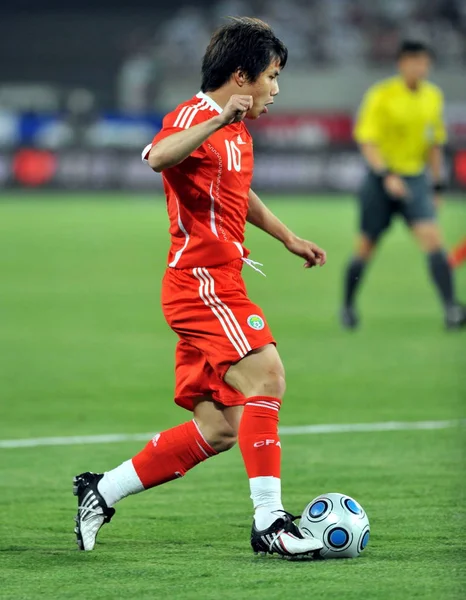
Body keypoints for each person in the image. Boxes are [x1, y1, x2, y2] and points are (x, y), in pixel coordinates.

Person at [73, 17, 326, 559]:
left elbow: (238, 192)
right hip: (202, 284)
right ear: (241, 76)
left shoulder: (236, 130)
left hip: (219, 280)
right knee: (268, 375)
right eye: (272, 77)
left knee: (217, 429)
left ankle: (101, 490)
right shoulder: (197, 115)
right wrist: (214, 121)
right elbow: (157, 157)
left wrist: (288, 237)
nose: (275, 90)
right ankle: (271, 524)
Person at [341, 40, 465, 330]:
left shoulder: (432, 96)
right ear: (401, 64)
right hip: (380, 180)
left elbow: (434, 144)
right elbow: (367, 140)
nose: (420, 68)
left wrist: (436, 186)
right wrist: (386, 176)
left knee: (434, 241)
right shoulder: (381, 95)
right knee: (365, 247)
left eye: (424, 62)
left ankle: (451, 310)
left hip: (415, 180)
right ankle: (347, 307)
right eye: (414, 62)